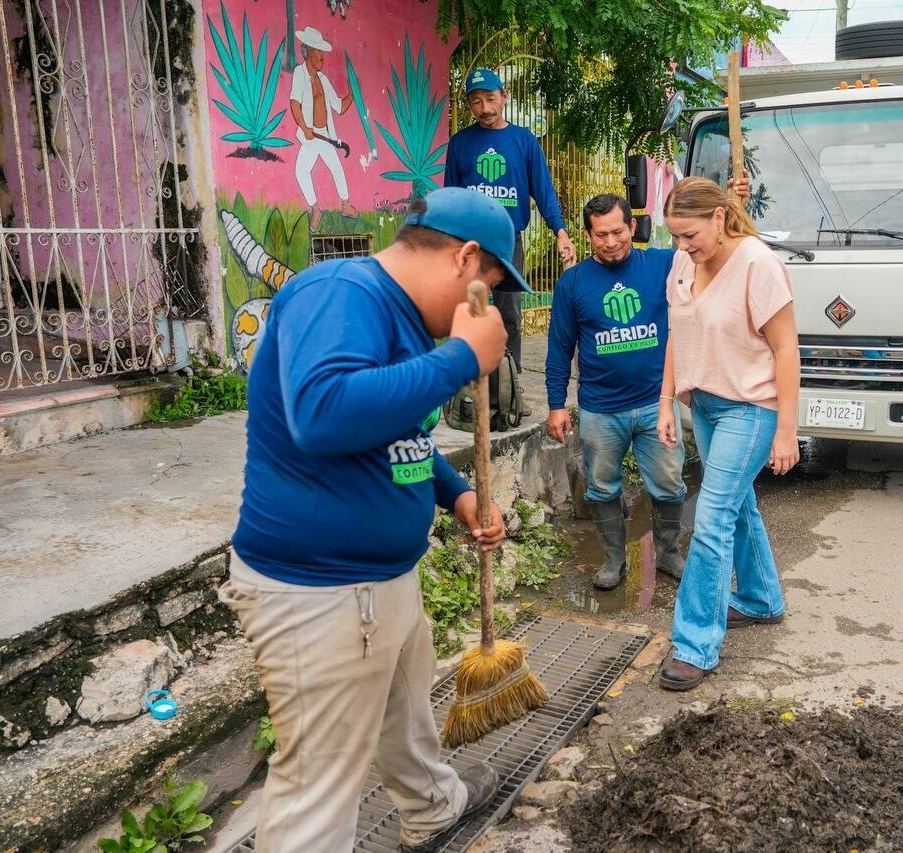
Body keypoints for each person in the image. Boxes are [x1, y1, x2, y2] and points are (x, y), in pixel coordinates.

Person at [218, 187, 529, 849]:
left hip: (380, 577)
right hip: (320, 592)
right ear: (464, 257)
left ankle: (433, 804)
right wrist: (463, 357)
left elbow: (397, 432)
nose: (487, 308)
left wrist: (456, 494)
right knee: (319, 787)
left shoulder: (406, 319)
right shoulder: (339, 295)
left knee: (405, 714)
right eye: (488, 287)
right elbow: (324, 413)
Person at [655, 177, 800, 692]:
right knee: (738, 508)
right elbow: (677, 330)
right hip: (706, 404)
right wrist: (667, 399)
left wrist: (787, 430)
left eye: (689, 234)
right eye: (674, 236)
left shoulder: (758, 264)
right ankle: (762, 600)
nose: (682, 246)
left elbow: (786, 350)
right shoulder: (683, 262)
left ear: (719, 217)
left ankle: (695, 644)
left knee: (711, 517)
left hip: (751, 410)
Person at [544, 194, 686, 589]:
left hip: (656, 404)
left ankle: (669, 552)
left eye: (618, 231)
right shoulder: (573, 283)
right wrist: (557, 405)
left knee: (670, 483)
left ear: (632, 228)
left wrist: (734, 202)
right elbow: (558, 349)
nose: (610, 242)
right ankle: (613, 559)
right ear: (588, 235)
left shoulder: (662, 264)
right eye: (601, 234)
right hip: (600, 410)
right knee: (602, 485)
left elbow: (714, 248)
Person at [445, 67, 577, 397]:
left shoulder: (524, 142)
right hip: (470, 245)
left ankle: (510, 389)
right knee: (466, 311)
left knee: (509, 314)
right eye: (476, 102)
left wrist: (560, 231)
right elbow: (451, 197)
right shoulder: (460, 143)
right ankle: (467, 389)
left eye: (491, 99)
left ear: (504, 97)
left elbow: (543, 191)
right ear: (469, 105)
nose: (485, 108)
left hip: (508, 243)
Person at [289, 27, 355, 229]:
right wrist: (304, 126)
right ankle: (315, 209)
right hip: (311, 137)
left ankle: (345, 205)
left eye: (322, 52)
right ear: (307, 51)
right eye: (317, 51)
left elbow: (339, 107)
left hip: (325, 135)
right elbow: (294, 103)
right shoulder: (300, 74)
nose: (321, 57)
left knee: (336, 168)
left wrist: (353, 94)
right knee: (301, 171)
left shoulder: (324, 80)